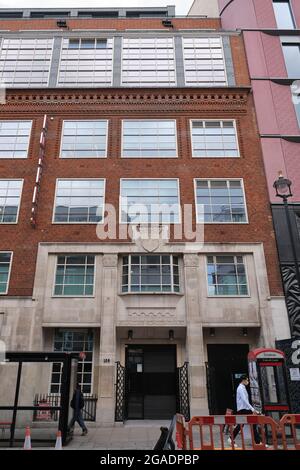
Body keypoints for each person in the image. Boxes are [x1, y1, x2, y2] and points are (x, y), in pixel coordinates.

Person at [229, 375, 264, 447]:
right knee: (251, 423)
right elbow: (245, 400)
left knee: (242, 424)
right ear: (243, 380)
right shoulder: (240, 388)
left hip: (244, 409)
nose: (248, 382)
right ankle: (258, 442)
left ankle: (231, 438)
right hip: (243, 409)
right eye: (247, 380)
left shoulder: (242, 387)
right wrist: (253, 409)